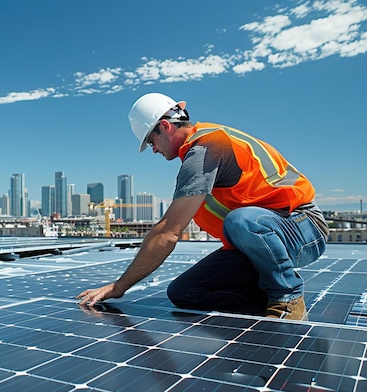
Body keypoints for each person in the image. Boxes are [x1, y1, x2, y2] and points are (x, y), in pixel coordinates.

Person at [77, 93, 328, 320]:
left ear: (165, 126)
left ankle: (287, 297)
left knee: (242, 220)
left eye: (151, 141)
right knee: (185, 292)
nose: (153, 150)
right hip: (258, 242)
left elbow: (168, 232)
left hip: (302, 228)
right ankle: (267, 305)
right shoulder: (198, 151)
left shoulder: (207, 149)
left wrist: (120, 286)